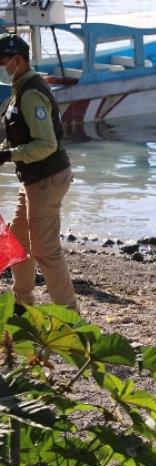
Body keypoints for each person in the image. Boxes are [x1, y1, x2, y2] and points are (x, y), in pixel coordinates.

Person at [0, 34, 78, 313]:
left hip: (47, 178)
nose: (1, 67)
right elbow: (21, 135)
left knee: (45, 251)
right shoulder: (20, 88)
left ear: (18, 61)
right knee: (18, 242)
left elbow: (47, 145)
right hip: (33, 179)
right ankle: (22, 304)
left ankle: (71, 318)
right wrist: (4, 149)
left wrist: (9, 155)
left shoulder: (30, 93)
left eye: (3, 62)